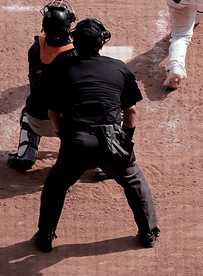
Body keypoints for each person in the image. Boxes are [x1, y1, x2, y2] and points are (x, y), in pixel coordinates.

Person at [33, 18, 160, 253]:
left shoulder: (59, 70)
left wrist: (66, 139)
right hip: (113, 143)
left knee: (56, 185)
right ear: (101, 44)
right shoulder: (120, 68)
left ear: (75, 43)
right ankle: (149, 233)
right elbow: (130, 111)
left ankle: (45, 236)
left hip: (77, 143)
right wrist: (125, 141)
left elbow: (53, 113)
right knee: (134, 181)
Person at [8, 0, 77, 172]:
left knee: (29, 107)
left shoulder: (35, 48)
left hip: (36, 120)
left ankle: (26, 154)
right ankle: (98, 160)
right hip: (69, 126)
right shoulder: (76, 53)